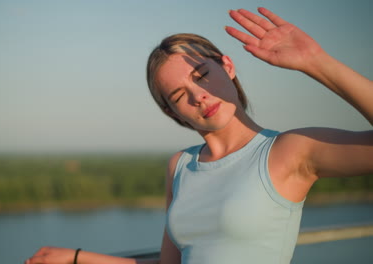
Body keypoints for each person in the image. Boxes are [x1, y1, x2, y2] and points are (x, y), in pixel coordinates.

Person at [25, 7, 373, 264]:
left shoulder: (287, 152)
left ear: (228, 66)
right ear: (171, 113)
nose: (198, 96)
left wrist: (315, 62)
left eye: (203, 74)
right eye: (178, 96)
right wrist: (76, 258)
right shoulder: (180, 166)